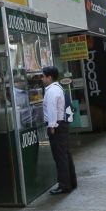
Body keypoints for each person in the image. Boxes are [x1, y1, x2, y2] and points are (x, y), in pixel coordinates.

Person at [42, 66, 76, 195]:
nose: (42, 78)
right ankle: (71, 182)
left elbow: (52, 110)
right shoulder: (57, 88)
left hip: (57, 126)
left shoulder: (51, 91)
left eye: (43, 76)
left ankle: (64, 185)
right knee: (66, 154)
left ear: (49, 77)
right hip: (61, 124)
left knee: (60, 156)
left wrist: (51, 126)